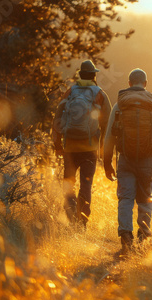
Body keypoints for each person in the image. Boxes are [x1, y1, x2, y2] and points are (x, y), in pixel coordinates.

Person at [104, 68, 152, 255]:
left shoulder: (120, 104)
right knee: (144, 199)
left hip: (125, 159)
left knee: (125, 198)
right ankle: (143, 235)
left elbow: (109, 136)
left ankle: (126, 236)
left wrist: (107, 163)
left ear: (129, 83)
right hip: (147, 159)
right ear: (145, 83)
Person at [52, 60, 112, 231]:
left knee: (68, 184)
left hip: (69, 148)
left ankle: (71, 219)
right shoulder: (100, 93)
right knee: (86, 185)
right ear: (94, 75)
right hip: (89, 148)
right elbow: (107, 124)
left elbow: (57, 119)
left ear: (79, 75)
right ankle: (82, 221)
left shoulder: (70, 92)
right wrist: (103, 150)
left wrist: (57, 144)